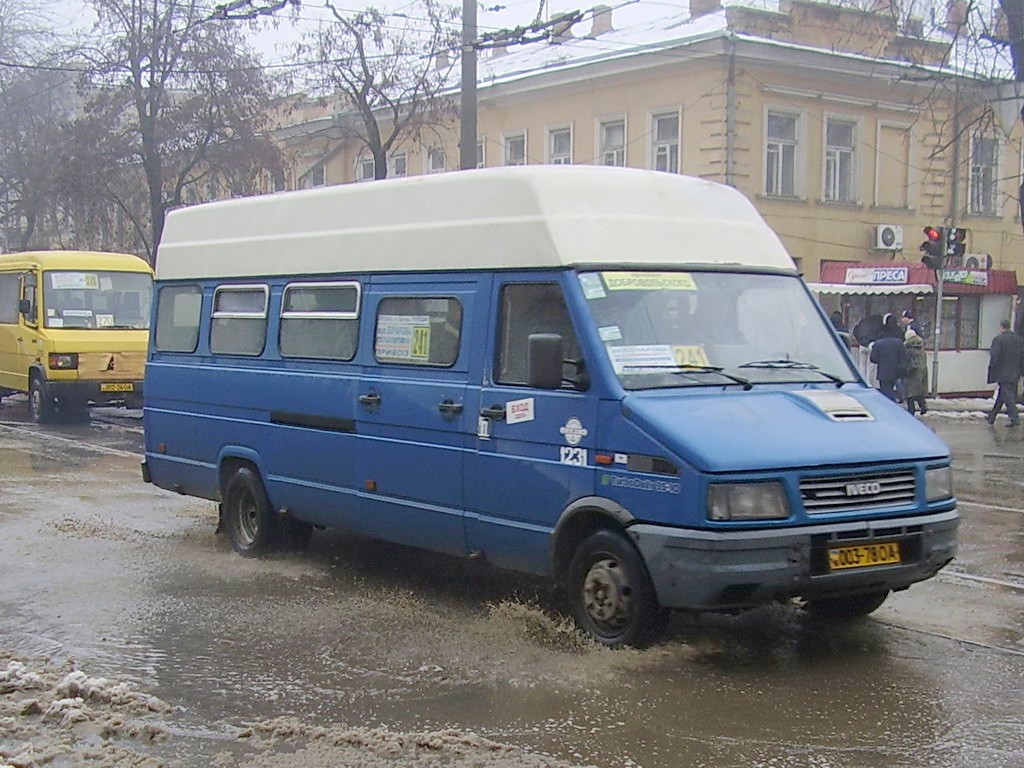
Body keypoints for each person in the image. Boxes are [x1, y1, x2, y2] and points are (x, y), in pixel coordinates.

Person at [986, 319, 1024, 427]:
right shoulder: (1019, 340)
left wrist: (992, 370)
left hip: (1002, 373)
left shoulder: (999, 339)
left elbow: (995, 356)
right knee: (1003, 395)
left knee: (1008, 397)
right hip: (1015, 372)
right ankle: (991, 417)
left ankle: (1015, 418)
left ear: (1001, 327)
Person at [870, 323, 905, 402]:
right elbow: (903, 357)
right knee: (890, 388)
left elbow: (873, 359)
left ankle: (889, 403)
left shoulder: (878, 343)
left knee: (885, 390)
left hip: (882, 372)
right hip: (895, 371)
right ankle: (893, 400)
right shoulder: (899, 343)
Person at [902, 328, 928, 416]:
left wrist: (905, 370)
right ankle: (923, 406)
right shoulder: (921, 346)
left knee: (910, 392)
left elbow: (908, 360)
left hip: (912, 371)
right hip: (922, 370)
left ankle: (911, 410)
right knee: (919, 391)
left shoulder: (909, 348)